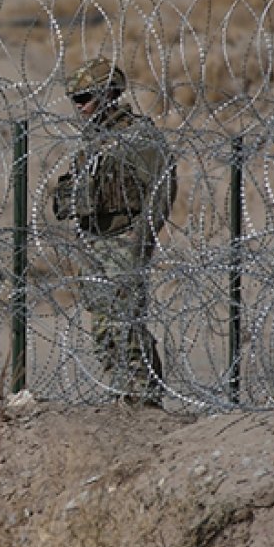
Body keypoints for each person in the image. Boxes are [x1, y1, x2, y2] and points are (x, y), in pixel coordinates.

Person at [51, 57, 176, 407]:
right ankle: (125, 390)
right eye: (74, 100)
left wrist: (143, 241)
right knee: (103, 326)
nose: (78, 107)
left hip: (125, 238)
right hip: (95, 241)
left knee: (126, 322)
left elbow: (162, 190)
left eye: (85, 98)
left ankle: (143, 396)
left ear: (109, 94)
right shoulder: (92, 142)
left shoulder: (137, 136)